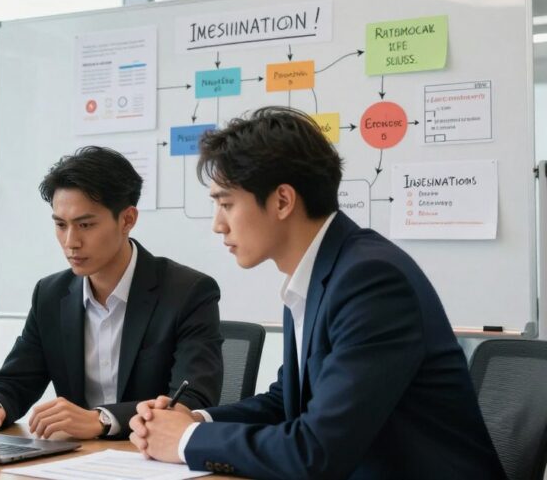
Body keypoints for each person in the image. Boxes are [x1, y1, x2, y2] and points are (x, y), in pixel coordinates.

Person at [129, 106, 505, 479]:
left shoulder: (371, 281)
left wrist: (187, 440)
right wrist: (193, 419)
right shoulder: (324, 271)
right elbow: (287, 403)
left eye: (226, 204)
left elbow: (317, 452)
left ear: (282, 201)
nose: (217, 225)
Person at [0, 146, 223, 440]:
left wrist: (103, 420)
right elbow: (17, 379)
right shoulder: (50, 294)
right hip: (75, 461)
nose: (71, 242)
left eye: (85, 225)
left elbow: (191, 401)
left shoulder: (188, 293)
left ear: (127, 220)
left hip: (152, 459)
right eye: (60, 225)